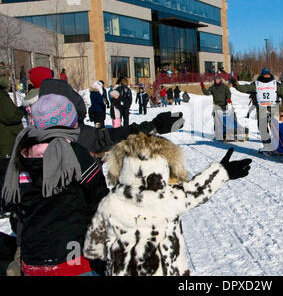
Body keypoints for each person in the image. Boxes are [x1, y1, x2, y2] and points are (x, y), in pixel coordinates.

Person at [83, 134, 252, 276]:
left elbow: (94, 245)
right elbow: (193, 192)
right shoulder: (168, 199)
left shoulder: (111, 202)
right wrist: (221, 171)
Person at [1, 94, 109, 276]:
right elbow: (100, 202)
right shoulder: (76, 155)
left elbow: (13, 204)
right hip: (73, 259)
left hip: (32, 259)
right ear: (66, 123)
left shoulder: (19, 157)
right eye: (74, 120)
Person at [39, 78, 184, 155]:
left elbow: (111, 136)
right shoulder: (78, 139)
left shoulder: (23, 144)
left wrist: (153, 125)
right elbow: (109, 138)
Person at [231, 68, 283, 151]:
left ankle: (280, 144)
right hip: (261, 108)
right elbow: (246, 88)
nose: (267, 76)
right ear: (262, 75)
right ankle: (267, 145)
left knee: (276, 126)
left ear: (270, 75)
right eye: (265, 74)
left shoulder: (275, 84)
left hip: (274, 107)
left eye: (268, 74)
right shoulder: (256, 84)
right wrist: (236, 85)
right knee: (262, 127)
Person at [0, 65, 25, 158]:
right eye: (4, 76)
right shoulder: (1, 95)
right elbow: (10, 116)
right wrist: (20, 111)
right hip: (6, 142)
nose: (8, 80)